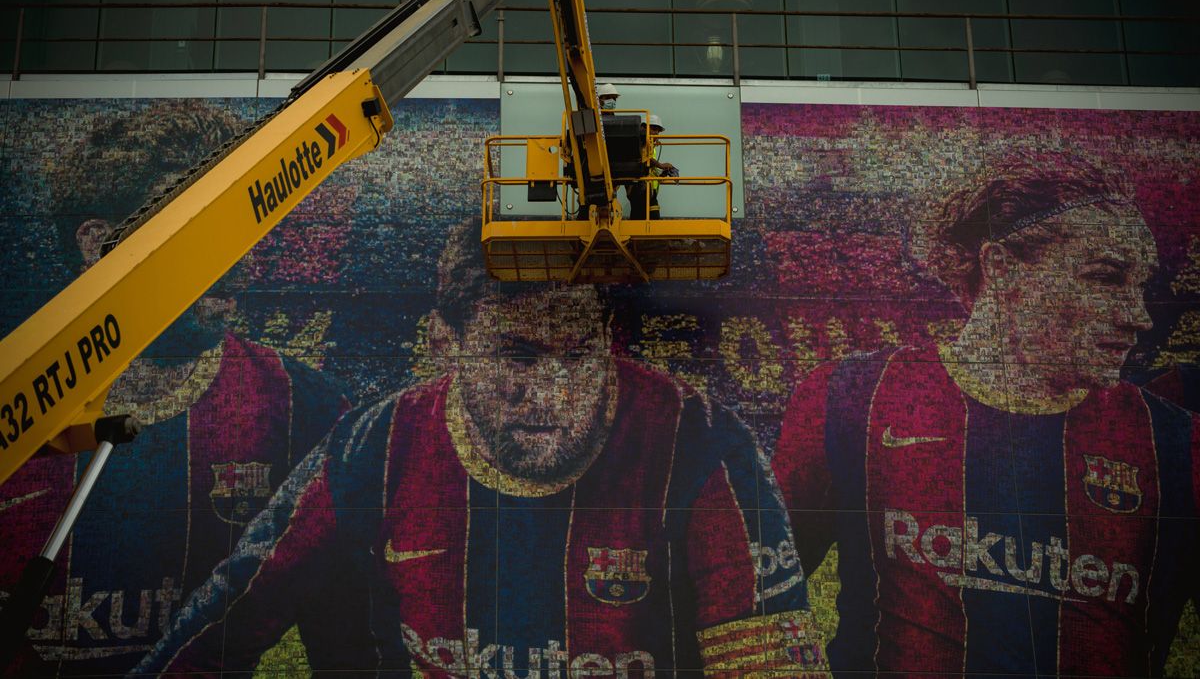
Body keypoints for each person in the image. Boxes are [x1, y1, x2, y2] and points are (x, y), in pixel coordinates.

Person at [133, 218, 827, 676]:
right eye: (517, 359)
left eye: (579, 356)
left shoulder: (698, 441)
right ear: (446, 344)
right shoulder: (376, 447)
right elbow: (229, 616)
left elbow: (772, 664)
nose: (551, 393)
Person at [772, 156, 1200, 676]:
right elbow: (758, 596)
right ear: (1000, 265)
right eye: (1106, 277)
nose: (1139, 316)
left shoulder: (1178, 444)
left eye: (1141, 286)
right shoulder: (849, 396)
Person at [0, 101, 349, 676]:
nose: (239, 257)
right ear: (98, 244)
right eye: (201, 230)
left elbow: (343, 642)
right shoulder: (19, 405)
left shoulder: (307, 410)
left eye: (244, 227)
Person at [628, 114, 678, 221]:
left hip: (650, 190)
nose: (656, 133)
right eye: (654, 129)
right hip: (639, 189)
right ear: (643, 128)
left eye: (658, 131)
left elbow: (650, 168)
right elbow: (642, 158)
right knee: (639, 220)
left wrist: (663, 173)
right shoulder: (638, 143)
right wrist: (661, 165)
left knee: (652, 219)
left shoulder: (651, 148)